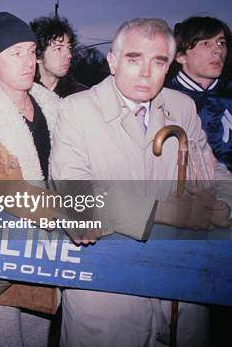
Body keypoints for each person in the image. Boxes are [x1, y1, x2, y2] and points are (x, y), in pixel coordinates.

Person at [51, 18, 230, 346]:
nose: (147, 72)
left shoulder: (182, 107)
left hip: (178, 289)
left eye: (158, 61)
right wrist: (162, 211)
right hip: (108, 293)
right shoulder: (76, 110)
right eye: (134, 59)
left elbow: (211, 173)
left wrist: (224, 207)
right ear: (113, 62)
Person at [0, 12, 61, 347]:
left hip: (48, 256)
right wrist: (68, 212)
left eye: (31, 51)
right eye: (14, 53)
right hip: (1, 255)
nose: (28, 61)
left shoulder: (55, 110)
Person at [165, 16, 231, 171]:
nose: (218, 50)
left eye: (221, 42)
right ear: (180, 56)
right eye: (206, 43)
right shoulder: (162, 100)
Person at [30, 15, 87, 97]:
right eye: (59, 48)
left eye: (69, 48)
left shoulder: (81, 95)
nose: (69, 55)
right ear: (38, 56)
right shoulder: (24, 95)